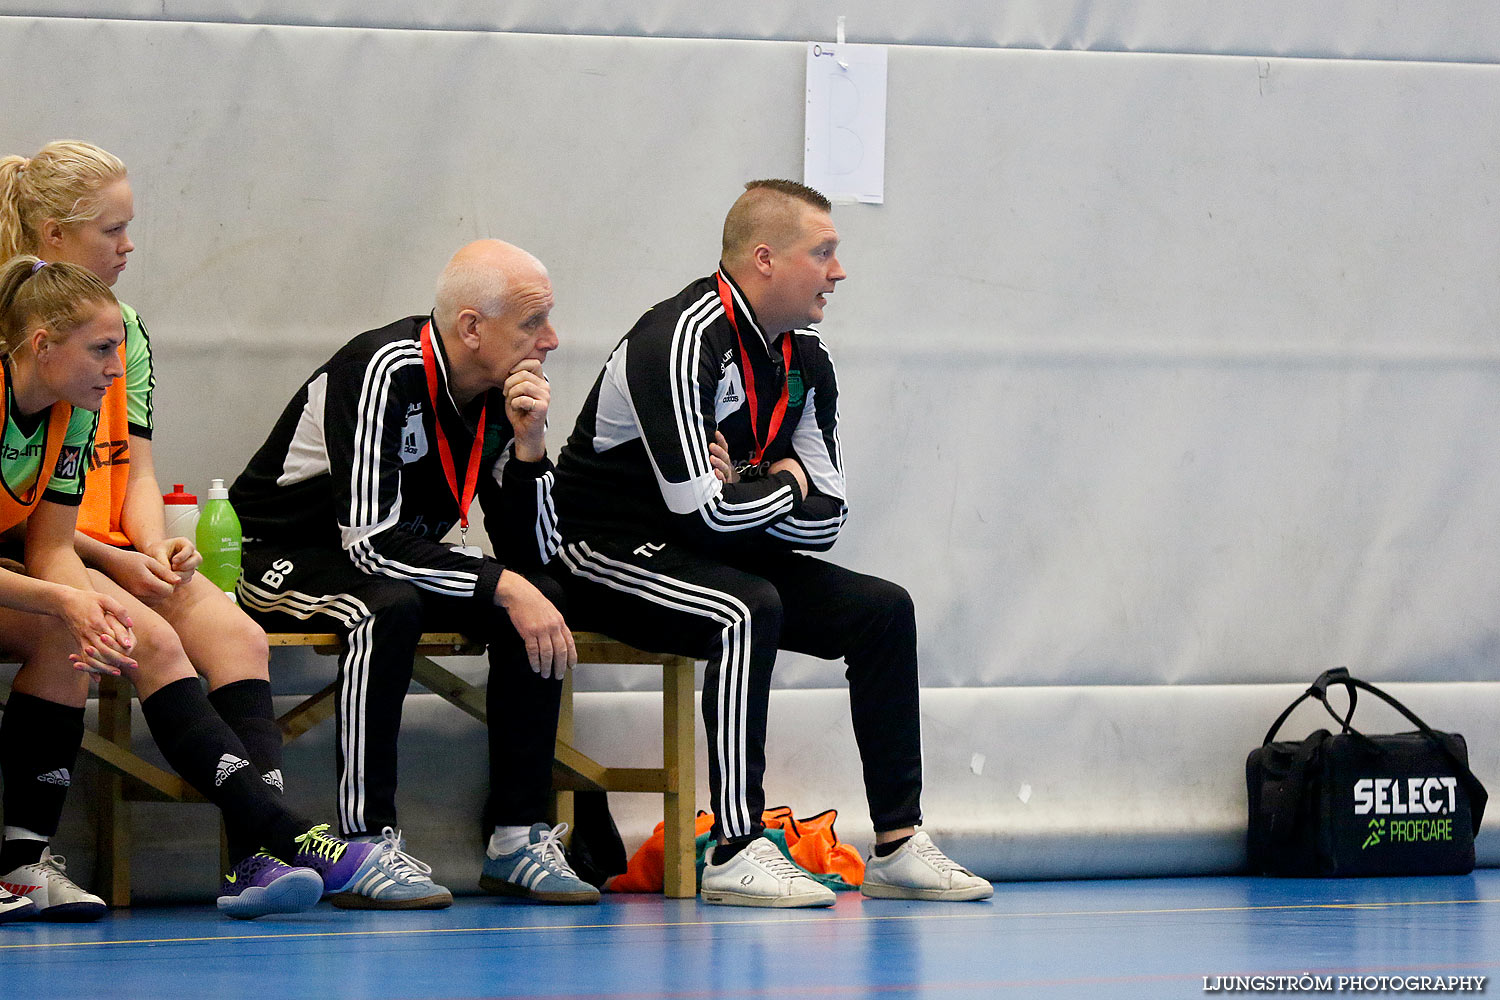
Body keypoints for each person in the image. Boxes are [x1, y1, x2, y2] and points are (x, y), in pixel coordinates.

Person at [0, 146, 448, 919]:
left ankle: (260, 859)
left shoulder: (82, 380)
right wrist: (80, 594)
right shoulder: (34, 350)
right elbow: (43, 549)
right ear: (54, 236)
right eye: (114, 229)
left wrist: (144, 550)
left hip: (71, 551)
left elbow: (108, 487)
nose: (130, 246)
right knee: (103, 632)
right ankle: (289, 837)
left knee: (235, 637)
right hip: (53, 559)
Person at [550, 179, 994, 907]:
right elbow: (706, 515)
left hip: (714, 548)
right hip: (604, 548)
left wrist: (752, 487)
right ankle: (733, 849)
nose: (838, 271)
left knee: (883, 611)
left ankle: (896, 844)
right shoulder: (678, 339)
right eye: (823, 252)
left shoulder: (805, 360)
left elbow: (829, 517)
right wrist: (784, 481)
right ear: (765, 260)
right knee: (746, 607)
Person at [229, 239, 597, 904]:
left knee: (540, 595)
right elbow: (369, 542)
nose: (553, 340)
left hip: (391, 560)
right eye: (532, 322)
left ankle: (518, 836)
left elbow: (535, 551)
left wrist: (531, 447)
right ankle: (366, 840)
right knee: (388, 605)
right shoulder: (385, 367)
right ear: (471, 328)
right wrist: (502, 583)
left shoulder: (499, 391)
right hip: (283, 554)